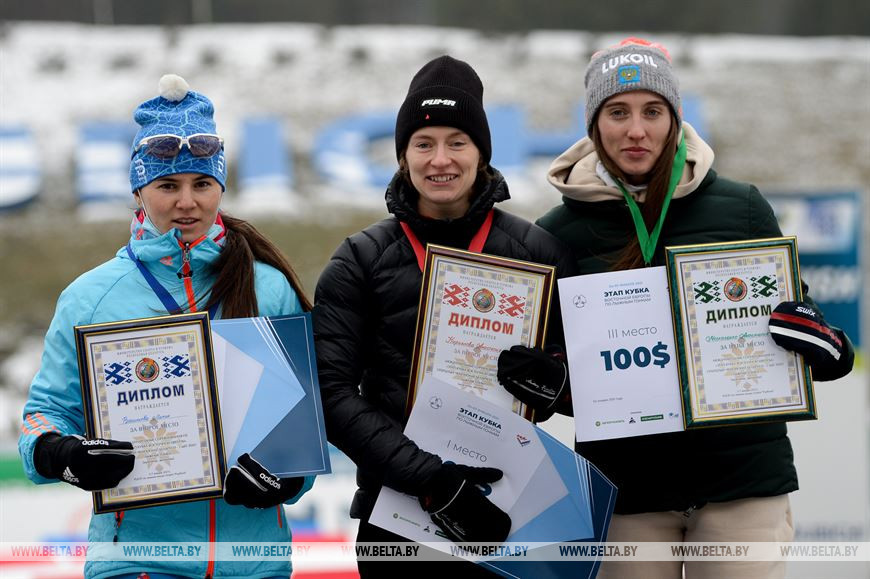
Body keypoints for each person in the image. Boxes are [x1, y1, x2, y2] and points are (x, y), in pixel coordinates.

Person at [496, 37, 855, 579]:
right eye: (617, 112)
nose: (636, 130)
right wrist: (549, 387)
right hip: (629, 494)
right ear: (594, 125)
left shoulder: (741, 208)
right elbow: (560, 379)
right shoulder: (556, 233)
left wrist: (822, 345)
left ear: (675, 118)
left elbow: (802, 323)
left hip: (742, 487)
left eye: (652, 111)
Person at [18, 74, 316, 579]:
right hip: (137, 563)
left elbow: (305, 421)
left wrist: (289, 479)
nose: (187, 202)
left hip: (253, 562)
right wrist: (61, 452)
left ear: (220, 185)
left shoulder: (269, 287)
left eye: (202, 184)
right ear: (139, 190)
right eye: (167, 186)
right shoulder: (91, 298)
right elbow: (44, 414)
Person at [313, 55, 576, 576]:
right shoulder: (360, 258)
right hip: (399, 514)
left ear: (482, 153)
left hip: (511, 507)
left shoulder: (538, 252)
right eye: (424, 143)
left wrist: (556, 384)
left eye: (458, 142)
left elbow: (592, 390)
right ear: (403, 156)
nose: (441, 160)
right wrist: (432, 480)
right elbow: (331, 392)